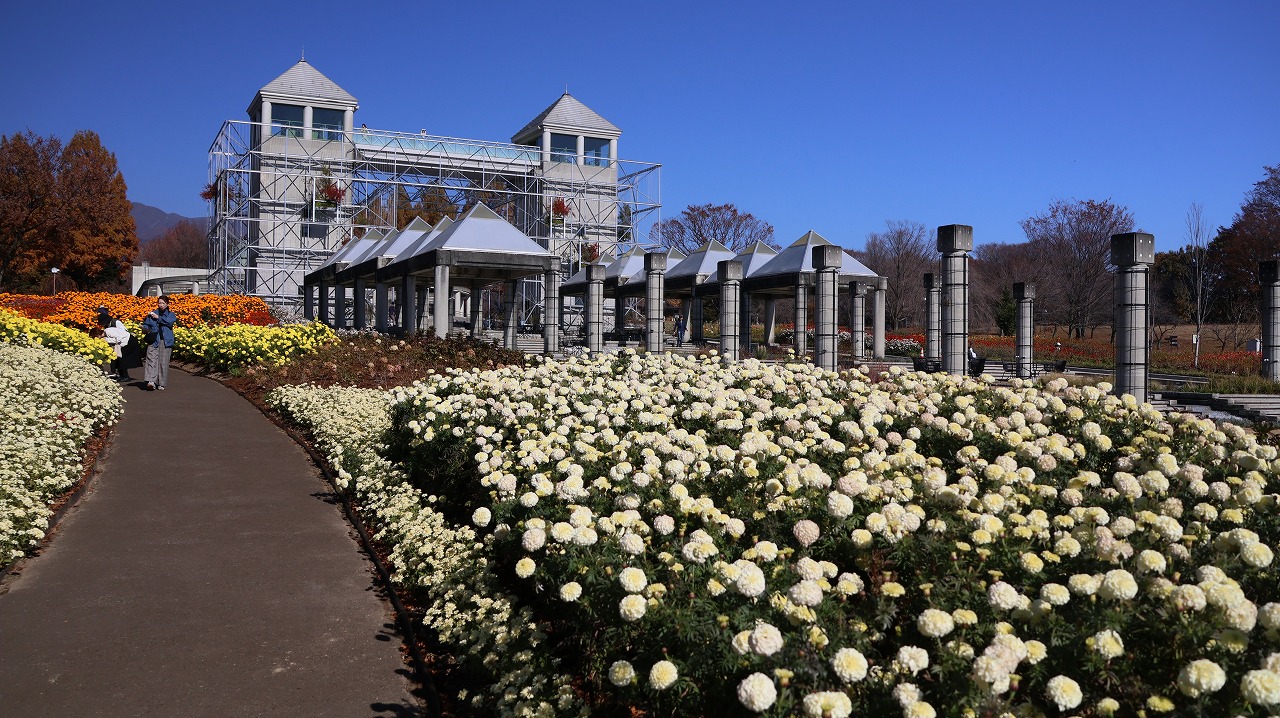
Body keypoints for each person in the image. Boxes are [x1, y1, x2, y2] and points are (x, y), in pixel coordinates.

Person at [141, 295, 177, 391]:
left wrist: (158, 318)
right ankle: (151, 381)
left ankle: (161, 383)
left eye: (163, 303)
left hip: (165, 341)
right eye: (159, 303)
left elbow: (169, 323)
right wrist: (144, 328)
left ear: (167, 304)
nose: (161, 305)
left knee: (163, 362)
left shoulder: (171, 314)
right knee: (151, 359)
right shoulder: (152, 313)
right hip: (154, 340)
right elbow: (146, 324)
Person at [97, 306, 133, 381]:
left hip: (123, 342)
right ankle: (120, 374)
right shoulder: (108, 325)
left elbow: (123, 332)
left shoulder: (116, 322)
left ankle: (125, 376)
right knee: (116, 359)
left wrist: (109, 340)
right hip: (116, 343)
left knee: (121, 360)